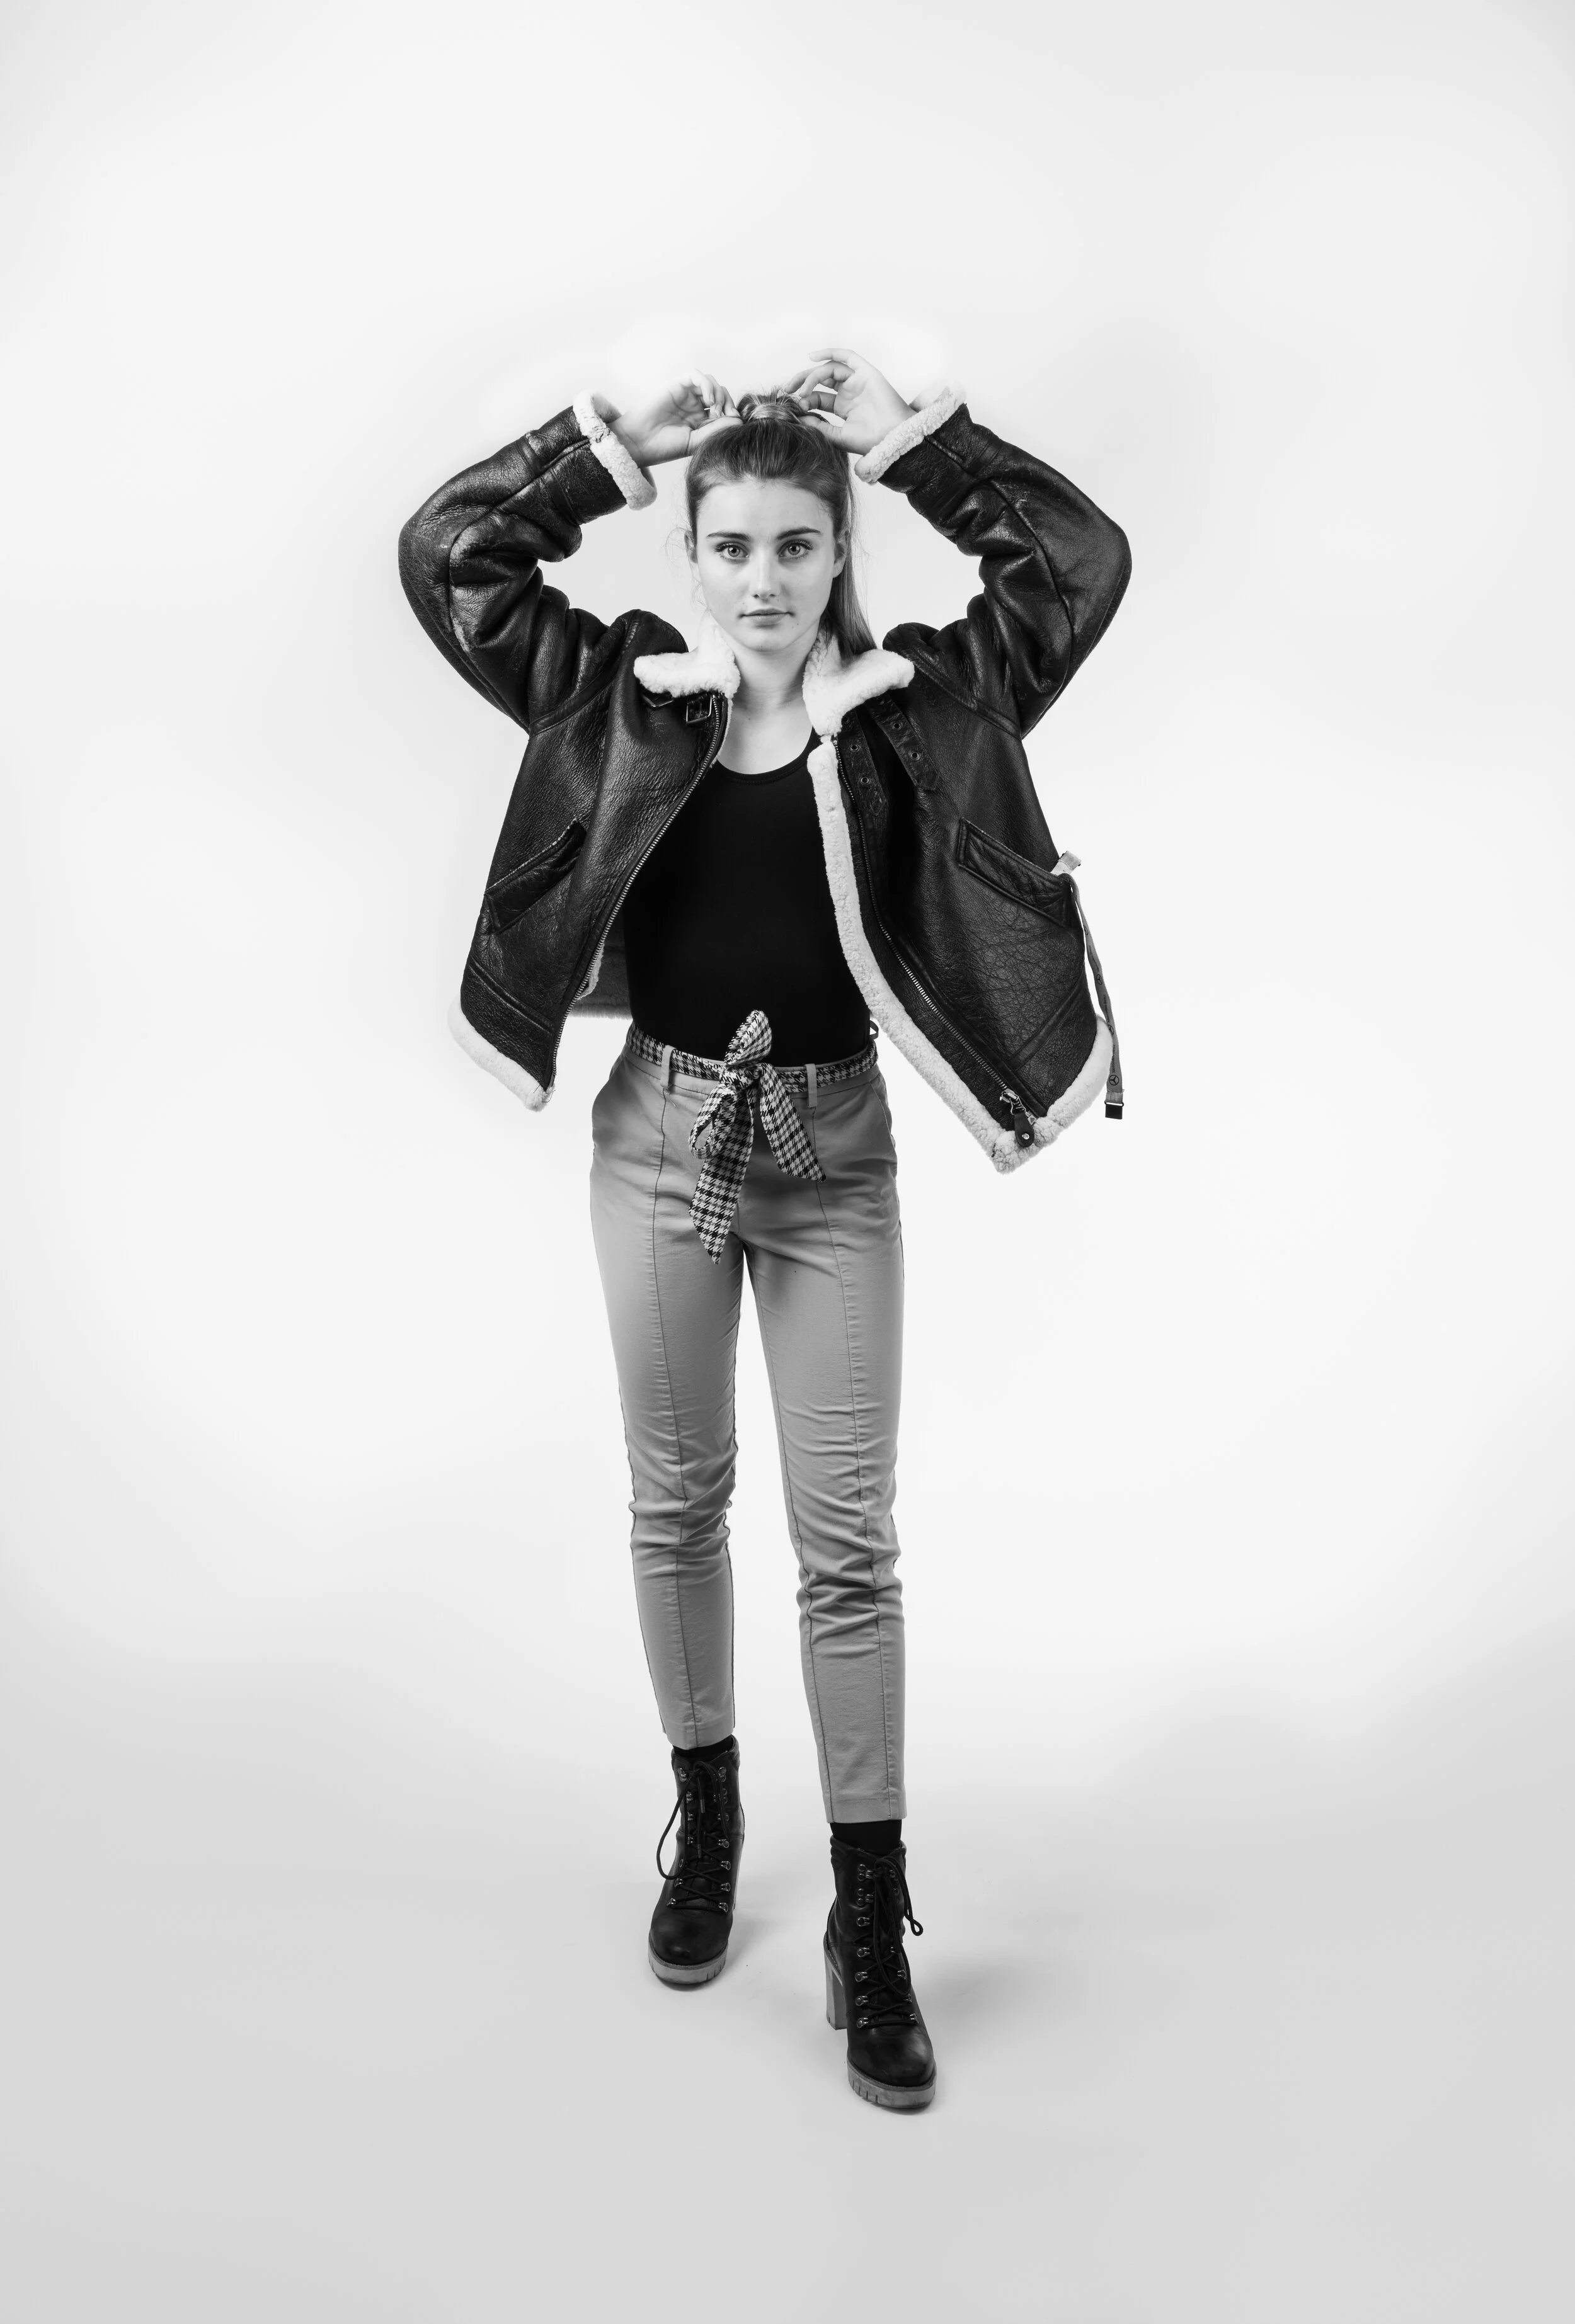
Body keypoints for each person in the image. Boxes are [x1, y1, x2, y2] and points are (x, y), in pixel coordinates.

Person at [398, 348, 1131, 2110]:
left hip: (834, 1158)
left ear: (837, 549)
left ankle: (870, 1915)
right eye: (729, 544)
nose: (762, 580)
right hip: (662, 1144)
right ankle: (709, 1814)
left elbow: (1076, 565)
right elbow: (450, 559)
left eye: (797, 544)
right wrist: (604, 449)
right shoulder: (616, 699)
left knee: (847, 1541)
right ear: (691, 551)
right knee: (676, 1501)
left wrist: (917, 444)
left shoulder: (924, 709)